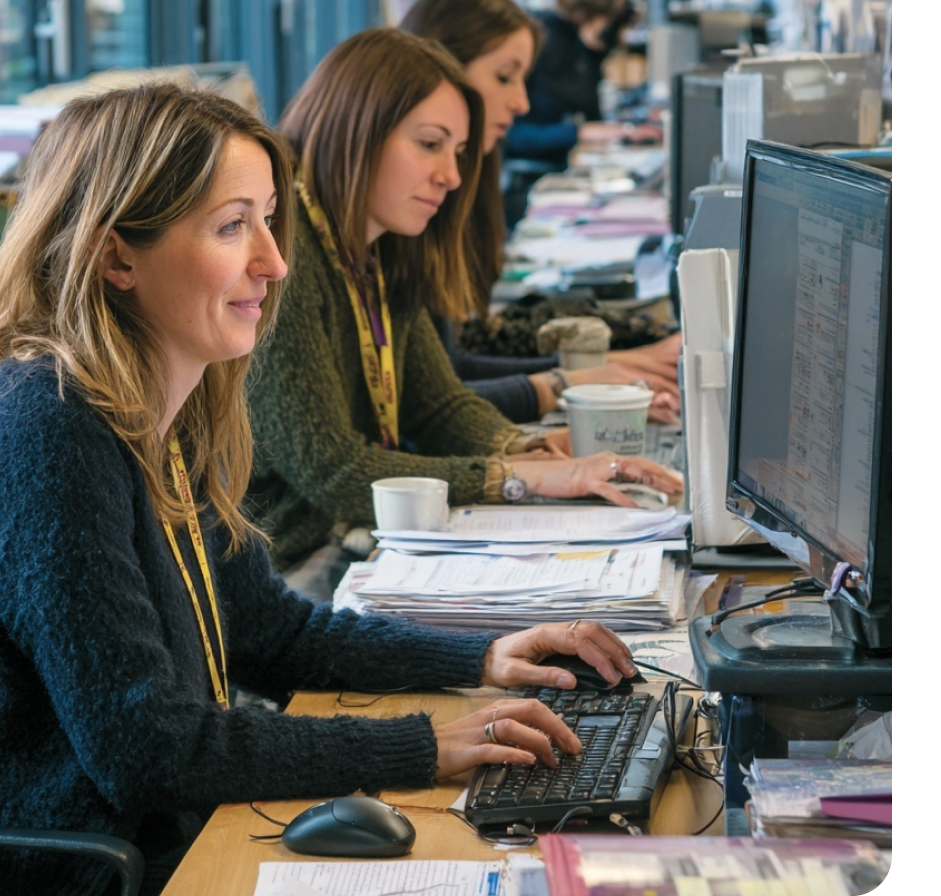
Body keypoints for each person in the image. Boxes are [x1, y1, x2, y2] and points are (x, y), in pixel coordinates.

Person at [0, 83, 640, 896]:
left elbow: (266, 630)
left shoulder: (156, 405)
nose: (274, 263)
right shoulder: (48, 431)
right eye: (231, 226)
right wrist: (421, 746)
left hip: (162, 839)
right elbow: (149, 750)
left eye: (269, 219)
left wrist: (484, 657)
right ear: (117, 256)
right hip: (82, 868)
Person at [246, 31, 682, 587]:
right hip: (290, 568)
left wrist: (532, 450)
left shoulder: (375, 245)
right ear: (357, 130)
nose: (452, 177)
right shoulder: (288, 255)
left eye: (456, 152)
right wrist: (522, 477)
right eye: (430, 144)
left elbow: (439, 406)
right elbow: (337, 472)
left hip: (358, 540)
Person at [399, 0, 681, 423]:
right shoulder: (407, 209)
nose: (522, 103)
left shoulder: (469, 179)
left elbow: (453, 360)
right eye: (505, 78)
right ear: (442, 68)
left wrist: (612, 364)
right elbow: (429, 400)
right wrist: (581, 378)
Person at [505, 0, 640, 174]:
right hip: (540, 169)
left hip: (562, 162)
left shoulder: (572, 41)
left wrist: (595, 49)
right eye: (622, 0)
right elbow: (515, 135)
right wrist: (580, 132)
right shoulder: (549, 41)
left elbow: (589, 106)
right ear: (610, 2)